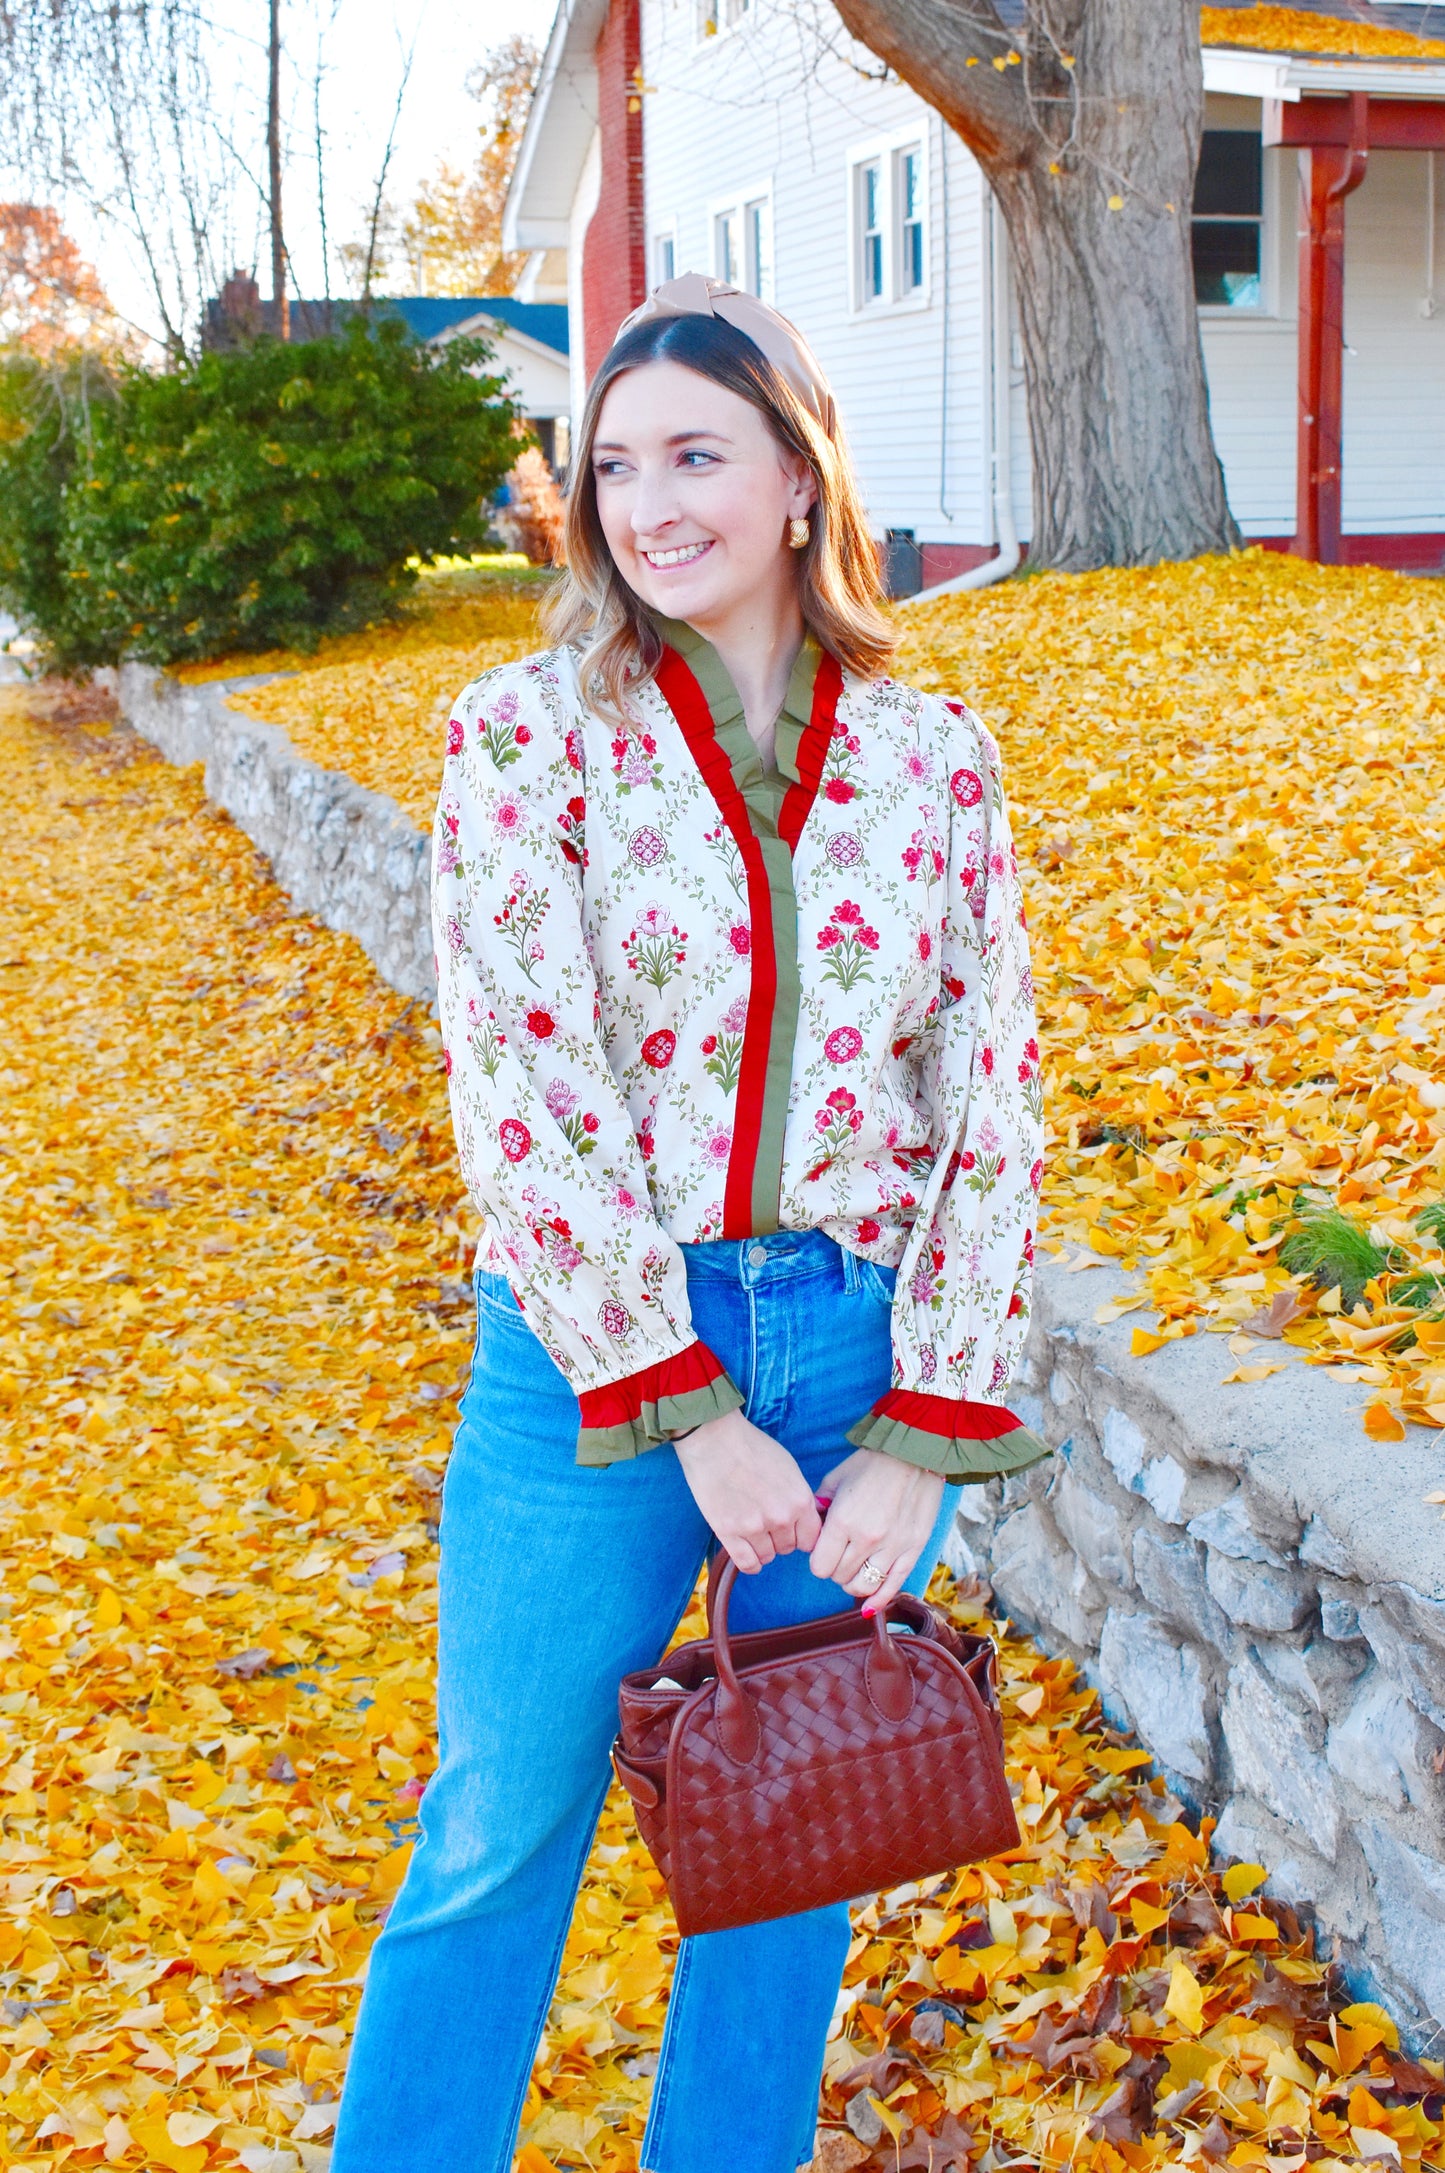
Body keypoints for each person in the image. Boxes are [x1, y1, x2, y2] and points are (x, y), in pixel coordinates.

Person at [331, 272, 1045, 2173]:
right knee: (496, 1824)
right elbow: (523, 1084)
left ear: (799, 480)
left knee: (789, 1850)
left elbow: (987, 1096)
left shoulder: (934, 756)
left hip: (852, 1347)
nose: (645, 503)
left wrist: (921, 1428)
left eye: (696, 455)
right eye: (612, 464)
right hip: (589, 1370)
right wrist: (682, 1402)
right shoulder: (522, 735)